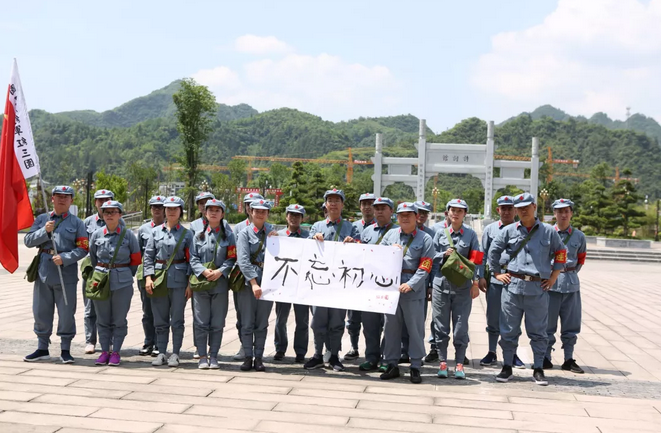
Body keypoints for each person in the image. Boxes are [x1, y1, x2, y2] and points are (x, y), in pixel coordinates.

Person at [488, 193, 566, 386]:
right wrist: (497, 274)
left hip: (537, 288)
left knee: (538, 331)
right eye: (519, 207)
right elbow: (493, 251)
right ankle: (507, 366)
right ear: (516, 210)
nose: (523, 210)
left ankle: (538, 368)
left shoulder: (548, 231)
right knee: (508, 330)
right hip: (512, 287)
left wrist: (553, 277)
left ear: (534, 207)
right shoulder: (509, 231)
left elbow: (561, 252)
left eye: (527, 207)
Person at [24, 186, 88, 364]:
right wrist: (44, 231)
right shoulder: (42, 219)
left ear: (71, 200)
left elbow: (83, 248)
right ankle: (42, 347)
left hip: (65, 273)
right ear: (52, 199)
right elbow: (28, 241)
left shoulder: (77, 223)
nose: (62, 199)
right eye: (58, 196)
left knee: (66, 312)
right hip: (44, 271)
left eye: (66, 197)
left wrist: (66, 258)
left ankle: (65, 349)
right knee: (41, 311)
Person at [304, 189, 360, 372]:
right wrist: (314, 240)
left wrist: (354, 244)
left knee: (337, 321)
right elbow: (306, 250)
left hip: (340, 283)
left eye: (337, 200)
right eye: (330, 200)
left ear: (342, 204)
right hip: (319, 282)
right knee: (318, 321)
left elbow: (361, 252)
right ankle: (317, 355)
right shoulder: (316, 226)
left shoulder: (351, 228)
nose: (333, 204)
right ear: (325, 205)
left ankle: (334, 356)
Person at [380, 202, 434, 383]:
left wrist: (411, 284)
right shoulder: (390, 235)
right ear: (397, 217)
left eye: (409, 215)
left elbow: (426, 266)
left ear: (416, 217)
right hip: (391, 288)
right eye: (401, 215)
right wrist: (390, 252)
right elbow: (378, 258)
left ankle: (416, 365)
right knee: (391, 328)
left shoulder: (425, 239)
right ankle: (391, 363)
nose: (405, 218)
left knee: (415, 329)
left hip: (413, 290)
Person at [431, 199, 484, 379]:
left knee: (461, 327)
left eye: (460, 211)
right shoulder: (439, 233)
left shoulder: (470, 234)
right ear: (447, 213)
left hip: (462, 288)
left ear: (465, 214)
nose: (456, 213)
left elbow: (477, 259)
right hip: (441, 285)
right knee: (440, 326)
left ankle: (460, 363)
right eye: (453, 210)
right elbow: (430, 256)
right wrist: (442, 254)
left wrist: (475, 283)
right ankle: (442, 362)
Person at [143, 196, 194, 367]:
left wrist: (190, 284)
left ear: (180, 211)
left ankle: (176, 353)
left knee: (177, 320)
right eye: (169, 208)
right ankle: (162, 352)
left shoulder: (187, 234)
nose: (171, 211)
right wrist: (148, 278)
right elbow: (148, 256)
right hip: (159, 279)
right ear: (165, 211)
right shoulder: (155, 232)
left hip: (179, 280)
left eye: (175, 208)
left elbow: (191, 260)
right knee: (160, 319)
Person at [89, 200, 141, 366]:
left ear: (120, 215)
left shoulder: (128, 235)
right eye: (106, 212)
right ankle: (105, 351)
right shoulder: (96, 235)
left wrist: (123, 273)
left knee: (119, 319)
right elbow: (93, 258)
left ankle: (116, 351)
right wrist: (101, 272)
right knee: (102, 318)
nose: (109, 215)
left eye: (113, 212)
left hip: (122, 282)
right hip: (101, 281)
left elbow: (135, 260)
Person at [189, 199, 237, 369]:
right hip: (201, 284)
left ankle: (214, 355)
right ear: (205, 212)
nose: (214, 213)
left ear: (222, 214)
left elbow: (232, 258)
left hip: (220, 285)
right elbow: (193, 258)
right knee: (201, 322)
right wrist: (203, 271)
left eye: (217, 210)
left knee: (217, 323)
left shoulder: (228, 235)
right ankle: (202, 356)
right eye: (210, 210)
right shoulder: (197, 235)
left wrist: (220, 271)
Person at [479, 196, 525, 369]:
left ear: (515, 210)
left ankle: (512, 353)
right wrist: (480, 276)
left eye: (509, 208)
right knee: (493, 316)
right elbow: (482, 254)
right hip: (495, 279)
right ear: (498, 210)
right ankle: (491, 352)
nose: (506, 212)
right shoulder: (490, 230)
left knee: (513, 318)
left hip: (515, 279)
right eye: (503, 208)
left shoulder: (522, 229)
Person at [544, 198, 586, 374]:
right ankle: (545, 357)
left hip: (571, 285)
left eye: (566, 211)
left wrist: (568, 273)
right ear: (554, 213)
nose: (563, 214)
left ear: (571, 214)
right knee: (547, 323)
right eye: (560, 211)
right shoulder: (546, 233)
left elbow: (580, 260)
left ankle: (568, 359)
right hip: (550, 285)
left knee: (571, 324)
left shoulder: (579, 236)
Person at [236, 199, 277, 372]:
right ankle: (248, 356)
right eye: (257, 211)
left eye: (263, 211)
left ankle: (259, 357)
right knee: (246, 322)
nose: (260, 214)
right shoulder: (244, 233)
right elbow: (243, 260)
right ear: (251, 212)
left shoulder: (273, 232)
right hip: (248, 284)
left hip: (268, 282)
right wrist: (253, 283)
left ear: (267, 214)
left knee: (262, 323)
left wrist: (278, 240)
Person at [358, 197, 398, 372]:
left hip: (390, 285)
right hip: (369, 285)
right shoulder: (367, 231)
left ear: (391, 211)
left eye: (383, 208)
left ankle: (387, 358)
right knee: (370, 325)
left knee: (389, 325)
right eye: (377, 208)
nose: (379, 211)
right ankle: (371, 357)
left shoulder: (398, 231)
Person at [274, 204, 310, 363]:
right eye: (291, 215)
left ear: (302, 218)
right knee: (280, 319)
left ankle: (300, 351)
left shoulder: (308, 237)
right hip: (283, 284)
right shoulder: (278, 236)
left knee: (302, 320)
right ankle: (280, 348)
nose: (294, 218)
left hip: (302, 284)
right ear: (286, 216)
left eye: (297, 215)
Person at [400, 200, 435, 364]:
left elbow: (430, 264)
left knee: (415, 325)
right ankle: (397, 356)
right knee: (394, 326)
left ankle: (416, 360)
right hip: (394, 285)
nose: (421, 215)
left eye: (424, 213)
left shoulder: (428, 236)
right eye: (402, 215)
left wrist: (429, 285)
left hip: (417, 285)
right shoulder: (393, 234)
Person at [231, 192, 265, 361]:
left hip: (264, 279)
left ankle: (257, 354)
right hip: (243, 279)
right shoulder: (239, 229)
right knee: (243, 316)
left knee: (260, 319)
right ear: (247, 208)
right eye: (249, 205)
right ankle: (244, 348)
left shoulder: (270, 229)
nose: (254, 209)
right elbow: (235, 254)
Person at [82, 189, 116, 354]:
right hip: (92, 270)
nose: (103, 203)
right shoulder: (88, 222)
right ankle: (90, 340)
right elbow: (81, 245)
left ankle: (109, 341)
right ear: (95, 203)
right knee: (90, 307)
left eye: (106, 200)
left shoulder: (118, 222)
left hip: (110, 270)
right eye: (99, 200)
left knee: (110, 308)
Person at [345, 193, 376, 361]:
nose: (367, 207)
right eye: (364, 204)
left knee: (374, 319)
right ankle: (354, 346)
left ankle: (374, 350)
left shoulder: (383, 227)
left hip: (374, 278)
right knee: (353, 316)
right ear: (360, 207)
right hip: (355, 277)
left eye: (370, 203)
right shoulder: (353, 226)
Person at [136, 195, 165, 357]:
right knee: (147, 312)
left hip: (163, 275)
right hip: (146, 275)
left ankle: (160, 343)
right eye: (154, 207)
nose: (157, 210)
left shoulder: (170, 228)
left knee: (161, 312)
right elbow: (139, 253)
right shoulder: (143, 229)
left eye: (160, 207)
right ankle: (148, 342)